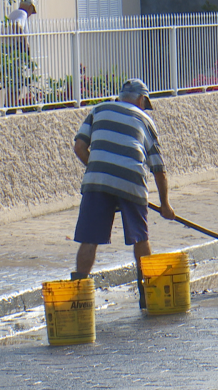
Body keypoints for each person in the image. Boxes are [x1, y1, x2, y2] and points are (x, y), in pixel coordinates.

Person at [70, 78, 175, 309]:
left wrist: (98, 166)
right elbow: (158, 168)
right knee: (140, 237)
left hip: (96, 180)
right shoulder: (145, 119)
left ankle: (78, 300)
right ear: (141, 99)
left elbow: (79, 147)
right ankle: (148, 296)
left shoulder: (98, 110)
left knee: (89, 240)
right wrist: (165, 205)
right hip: (131, 181)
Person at [5, 0, 37, 108]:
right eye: (31, 12)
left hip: (8, 54)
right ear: (29, 8)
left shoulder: (13, 14)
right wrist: (24, 44)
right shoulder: (22, 14)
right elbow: (17, 26)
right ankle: (11, 108)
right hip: (14, 54)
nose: (30, 15)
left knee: (12, 85)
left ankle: (9, 107)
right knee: (16, 84)